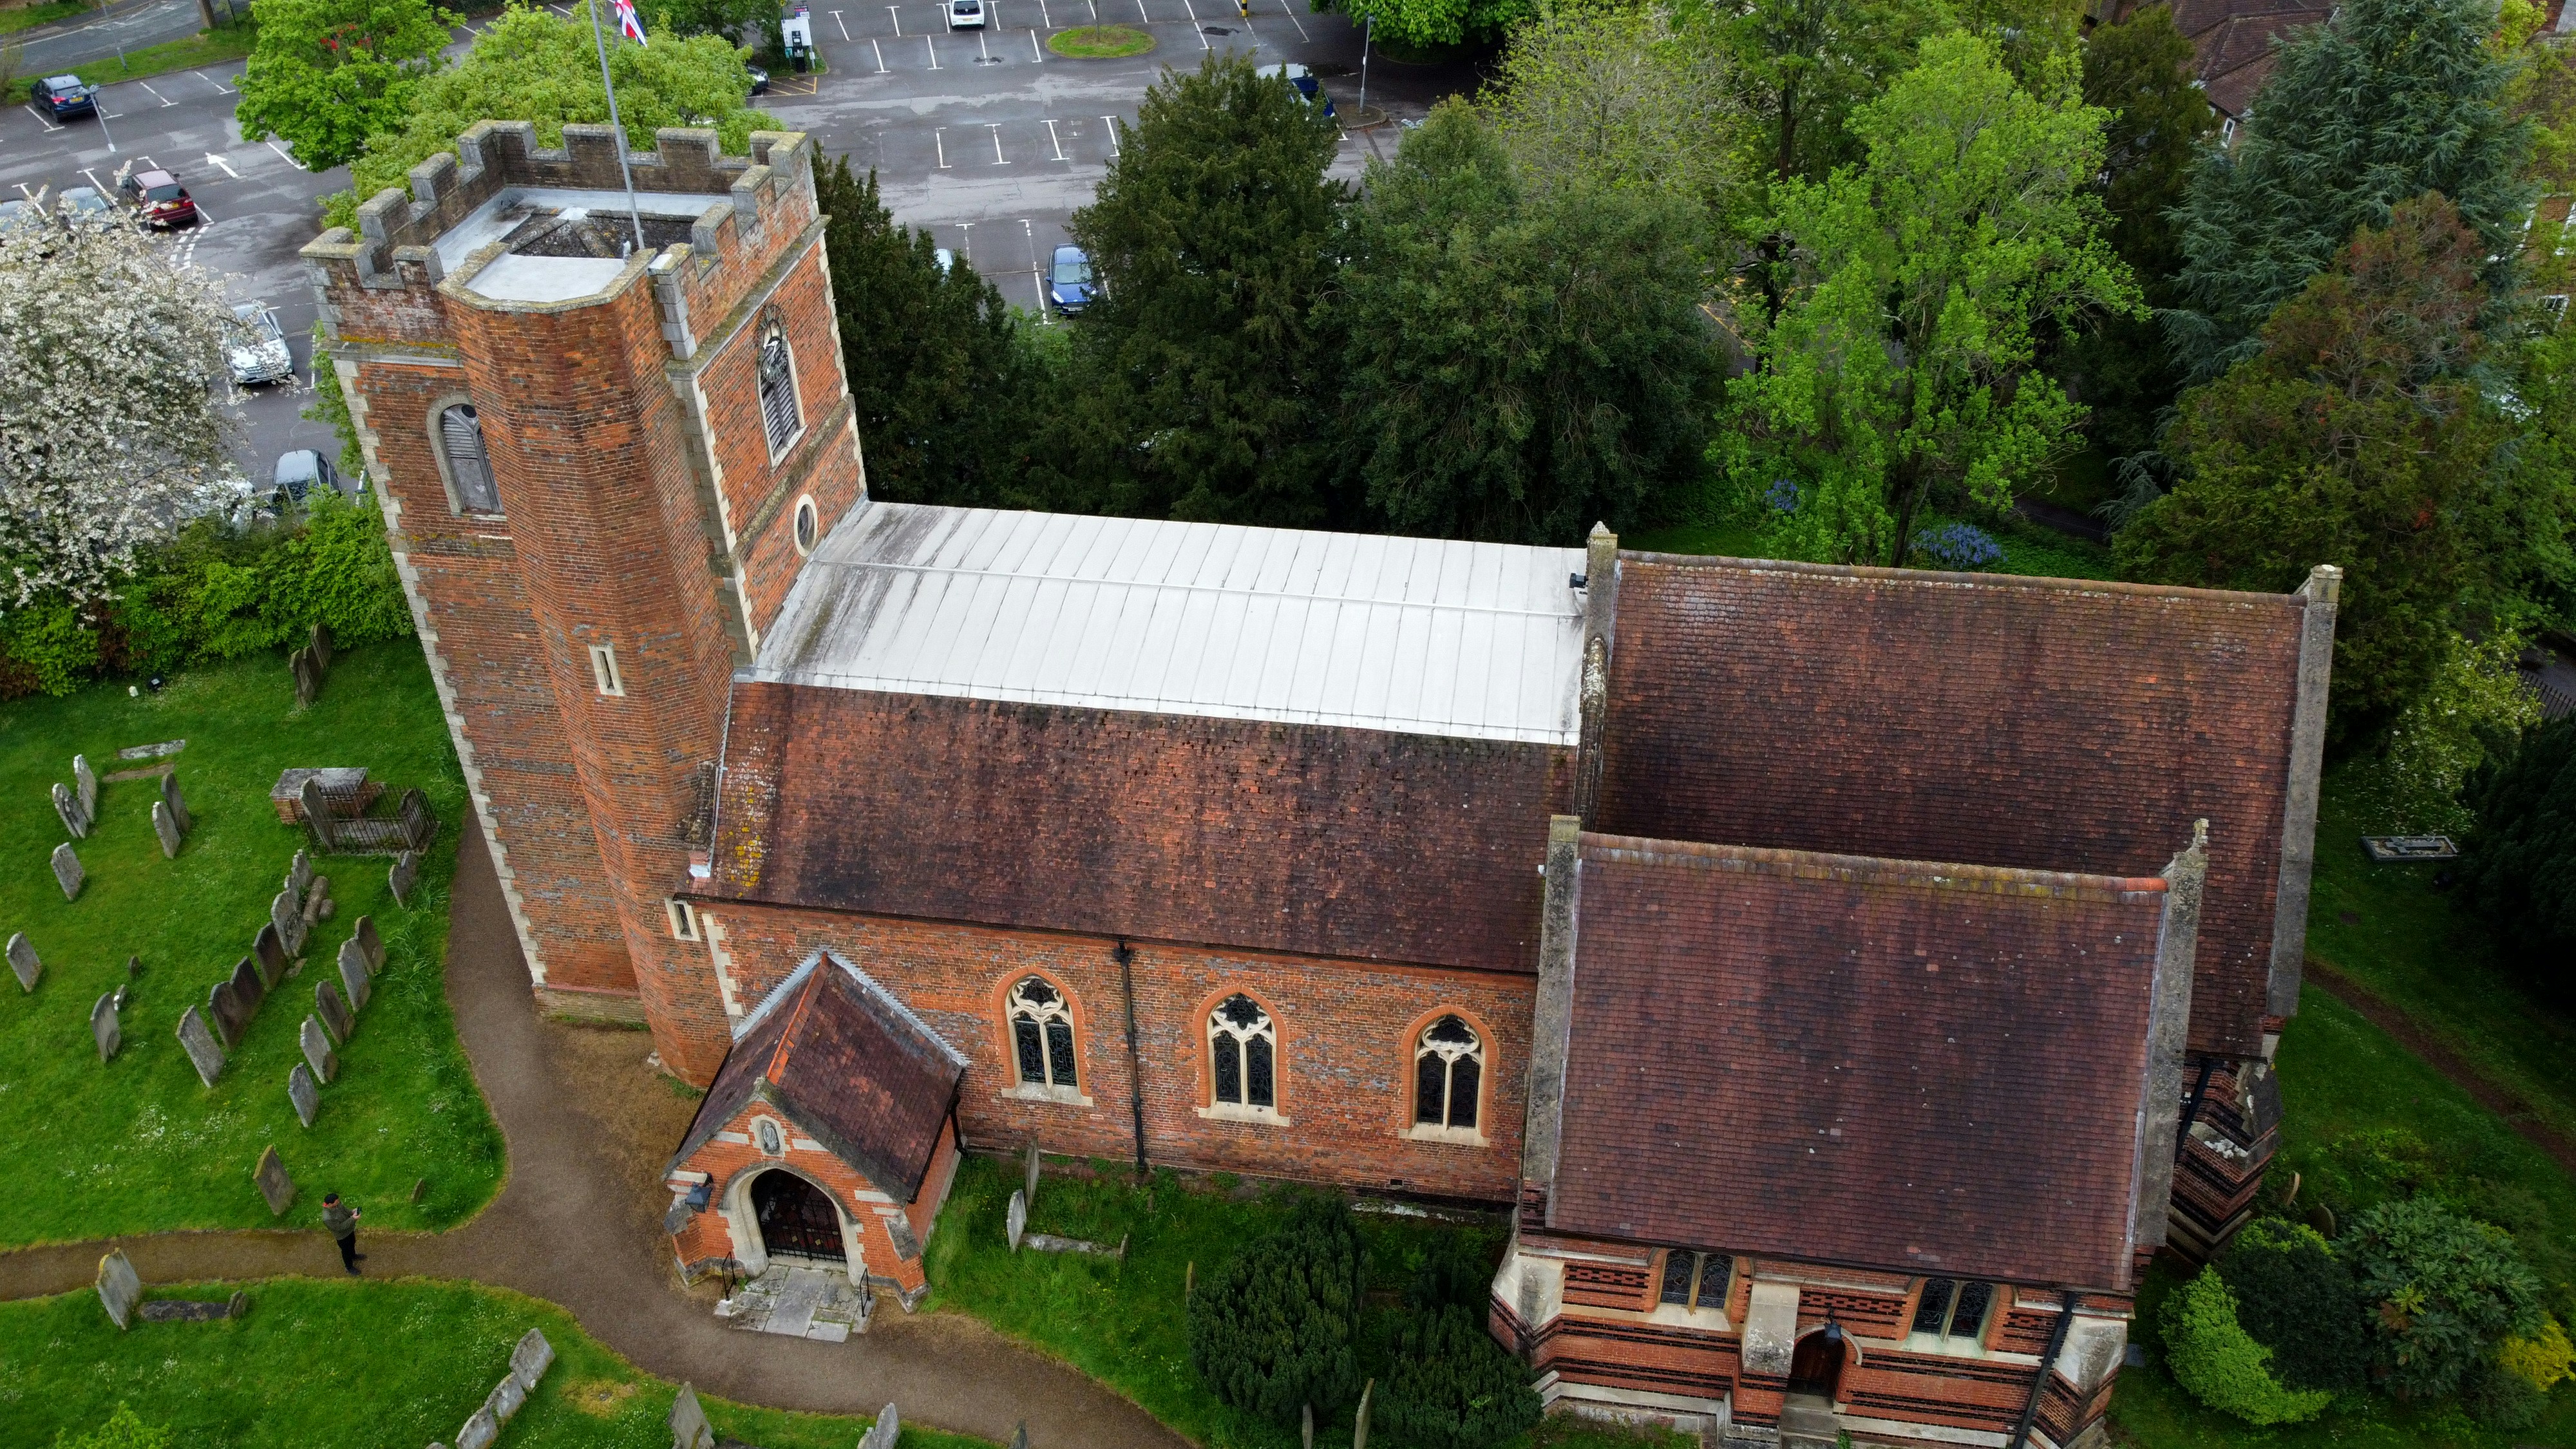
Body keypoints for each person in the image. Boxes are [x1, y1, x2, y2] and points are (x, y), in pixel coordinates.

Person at [322, 1192, 365, 1273]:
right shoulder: (327, 1218)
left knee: (352, 1242)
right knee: (346, 1251)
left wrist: (352, 1212)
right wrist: (353, 1219)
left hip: (349, 1230)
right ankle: (349, 1267)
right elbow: (340, 1228)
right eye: (337, 1202)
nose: (339, 1203)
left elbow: (344, 1210)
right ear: (330, 1204)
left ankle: (353, 1256)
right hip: (342, 1236)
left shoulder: (337, 1204)